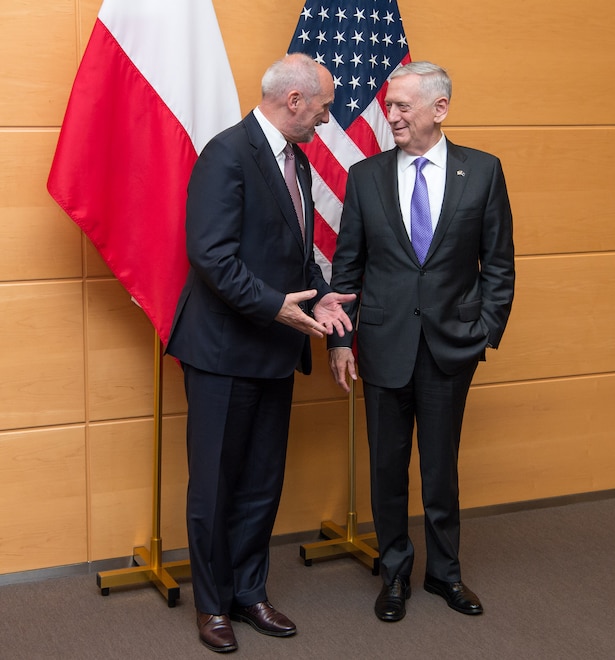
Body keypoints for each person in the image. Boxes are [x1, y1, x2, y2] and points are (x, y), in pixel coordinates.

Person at [166, 53, 354, 653]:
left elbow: (295, 259)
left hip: (275, 350)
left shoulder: (294, 160)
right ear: (294, 101)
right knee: (216, 485)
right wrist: (277, 306)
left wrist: (321, 299)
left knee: (261, 483)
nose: (326, 120)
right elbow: (211, 257)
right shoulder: (226, 154)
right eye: (322, 108)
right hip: (222, 351)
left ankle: (250, 593)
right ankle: (213, 604)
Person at [328, 61, 515, 622]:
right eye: (389, 106)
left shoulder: (482, 172)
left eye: (402, 106)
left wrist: (484, 330)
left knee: (441, 468)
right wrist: (340, 342)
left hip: (450, 347)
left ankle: (445, 574)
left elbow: (498, 265)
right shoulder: (365, 177)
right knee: (388, 469)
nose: (391, 116)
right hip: (382, 346)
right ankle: (394, 575)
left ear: (440, 108)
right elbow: (347, 269)